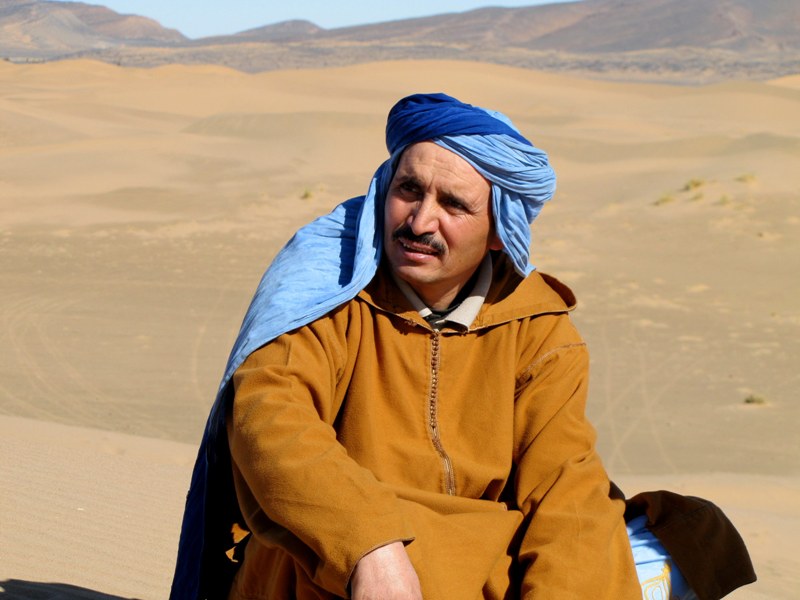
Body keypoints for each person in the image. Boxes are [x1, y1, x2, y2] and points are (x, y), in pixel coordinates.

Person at [170, 93, 755, 600]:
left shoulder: (538, 330)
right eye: (408, 190)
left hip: (485, 553)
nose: (420, 221)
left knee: (685, 532)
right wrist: (369, 543)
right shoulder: (329, 295)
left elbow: (563, 485)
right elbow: (270, 417)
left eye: (453, 204)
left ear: (500, 230)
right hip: (349, 558)